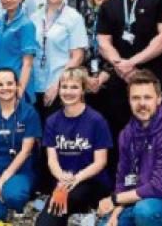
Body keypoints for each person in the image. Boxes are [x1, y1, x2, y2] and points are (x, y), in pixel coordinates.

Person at [96, 0, 162, 182]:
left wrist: (132, 63)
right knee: (118, 136)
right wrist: (119, 64)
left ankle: (154, 190)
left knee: (156, 137)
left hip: (155, 80)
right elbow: (103, 41)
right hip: (119, 83)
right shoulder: (109, 5)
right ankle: (120, 193)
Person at [96, 70, 162, 226]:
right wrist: (116, 211)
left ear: (159, 98)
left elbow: (160, 187)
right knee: (107, 223)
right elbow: (123, 178)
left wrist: (115, 199)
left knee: (145, 212)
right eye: (135, 98)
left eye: (147, 97)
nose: (141, 103)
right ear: (128, 100)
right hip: (138, 200)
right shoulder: (127, 134)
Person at [34, 67, 112, 226]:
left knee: (73, 197)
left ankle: (88, 211)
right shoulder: (52, 121)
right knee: (44, 223)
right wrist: (62, 177)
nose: (68, 92)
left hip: (90, 180)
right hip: (63, 181)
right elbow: (52, 159)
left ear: (83, 90)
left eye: (74, 87)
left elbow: (100, 162)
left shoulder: (97, 120)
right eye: (64, 87)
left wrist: (76, 178)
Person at [0, 68, 42, 224]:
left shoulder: (29, 112)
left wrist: (3, 179)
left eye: (9, 83)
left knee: (14, 196)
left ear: (17, 85)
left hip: (18, 169)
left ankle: (11, 200)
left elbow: (26, 151)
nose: (5, 88)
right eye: (0, 84)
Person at [32, 0, 87, 119]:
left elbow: (77, 57)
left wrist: (57, 85)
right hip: (35, 85)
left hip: (59, 86)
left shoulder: (73, 18)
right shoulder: (34, 17)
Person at [0, 0, 37, 104]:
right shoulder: (0, 21)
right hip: (1, 87)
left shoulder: (26, 25)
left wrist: (19, 92)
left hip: (17, 88)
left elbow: (27, 63)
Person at [79, 0, 118, 122]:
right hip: (86, 79)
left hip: (112, 77)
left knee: (111, 123)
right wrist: (86, 77)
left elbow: (122, 50)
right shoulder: (83, 17)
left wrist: (103, 77)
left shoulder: (120, 18)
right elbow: (77, 49)